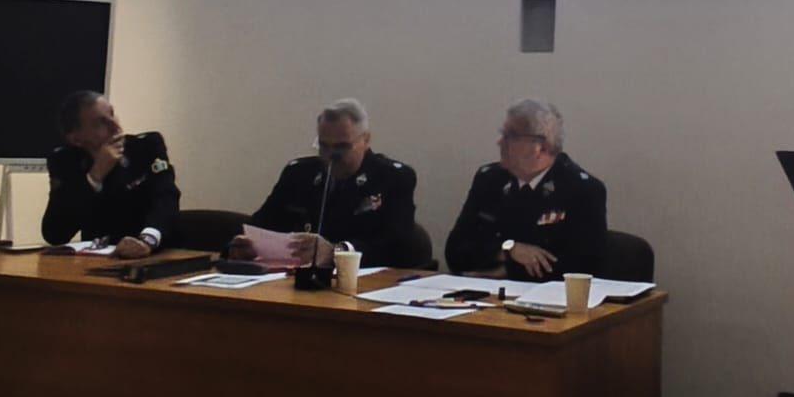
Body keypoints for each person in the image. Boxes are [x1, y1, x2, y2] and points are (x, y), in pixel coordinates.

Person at [234, 98, 417, 268]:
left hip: (362, 282)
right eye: (324, 146)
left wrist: (336, 252)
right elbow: (261, 224)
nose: (331, 156)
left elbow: (400, 249)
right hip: (294, 278)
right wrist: (243, 245)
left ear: (366, 140)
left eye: (342, 147)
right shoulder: (299, 173)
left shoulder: (392, 178)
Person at [445, 98, 607, 281]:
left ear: (541, 147)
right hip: (482, 292)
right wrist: (508, 249)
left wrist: (506, 272)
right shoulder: (490, 179)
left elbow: (582, 268)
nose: (500, 142)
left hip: (547, 296)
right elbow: (455, 252)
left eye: (510, 136)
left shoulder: (581, 189)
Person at [42, 91, 180, 258]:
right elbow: (55, 233)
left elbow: (166, 198)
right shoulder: (66, 161)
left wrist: (147, 239)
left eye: (112, 114)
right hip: (101, 262)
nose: (116, 126)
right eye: (101, 122)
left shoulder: (146, 147)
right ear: (76, 139)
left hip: (155, 254)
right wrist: (95, 176)